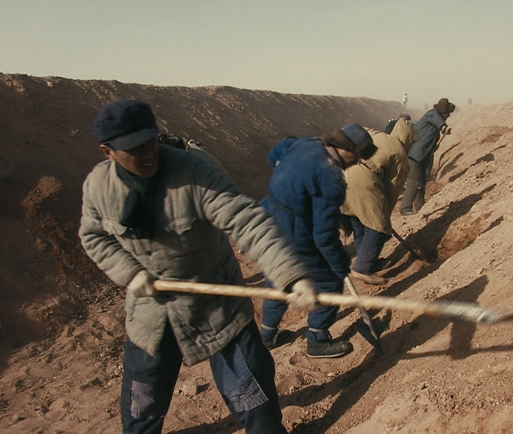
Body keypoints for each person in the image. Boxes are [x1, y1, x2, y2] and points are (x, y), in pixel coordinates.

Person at [79, 99, 319, 434]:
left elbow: (247, 221)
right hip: (151, 315)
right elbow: (93, 237)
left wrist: (290, 275)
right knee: (141, 405)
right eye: (135, 149)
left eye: (151, 141)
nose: (148, 153)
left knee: (254, 398)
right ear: (108, 152)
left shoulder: (195, 172)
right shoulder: (98, 187)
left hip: (217, 308)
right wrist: (130, 272)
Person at [259, 123, 377, 358]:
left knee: (280, 274)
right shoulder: (331, 177)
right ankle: (317, 339)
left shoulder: (307, 142)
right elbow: (324, 236)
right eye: (357, 156)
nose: (356, 162)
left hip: (267, 217)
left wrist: (287, 181)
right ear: (346, 149)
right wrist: (340, 265)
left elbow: (276, 151)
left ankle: (267, 335)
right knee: (330, 281)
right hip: (294, 229)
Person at [341, 118, 419, 284]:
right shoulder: (400, 155)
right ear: (408, 141)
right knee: (378, 228)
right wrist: (384, 216)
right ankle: (362, 268)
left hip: (342, 172)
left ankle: (368, 261)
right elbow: (392, 190)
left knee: (359, 223)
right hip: (362, 180)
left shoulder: (378, 135)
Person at [399, 98, 455, 216]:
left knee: (421, 182)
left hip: (422, 158)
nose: (448, 116)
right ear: (442, 112)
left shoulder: (434, 125)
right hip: (413, 157)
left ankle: (420, 206)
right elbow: (438, 121)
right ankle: (405, 208)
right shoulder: (432, 114)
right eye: (447, 114)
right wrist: (444, 127)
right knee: (414, 182)